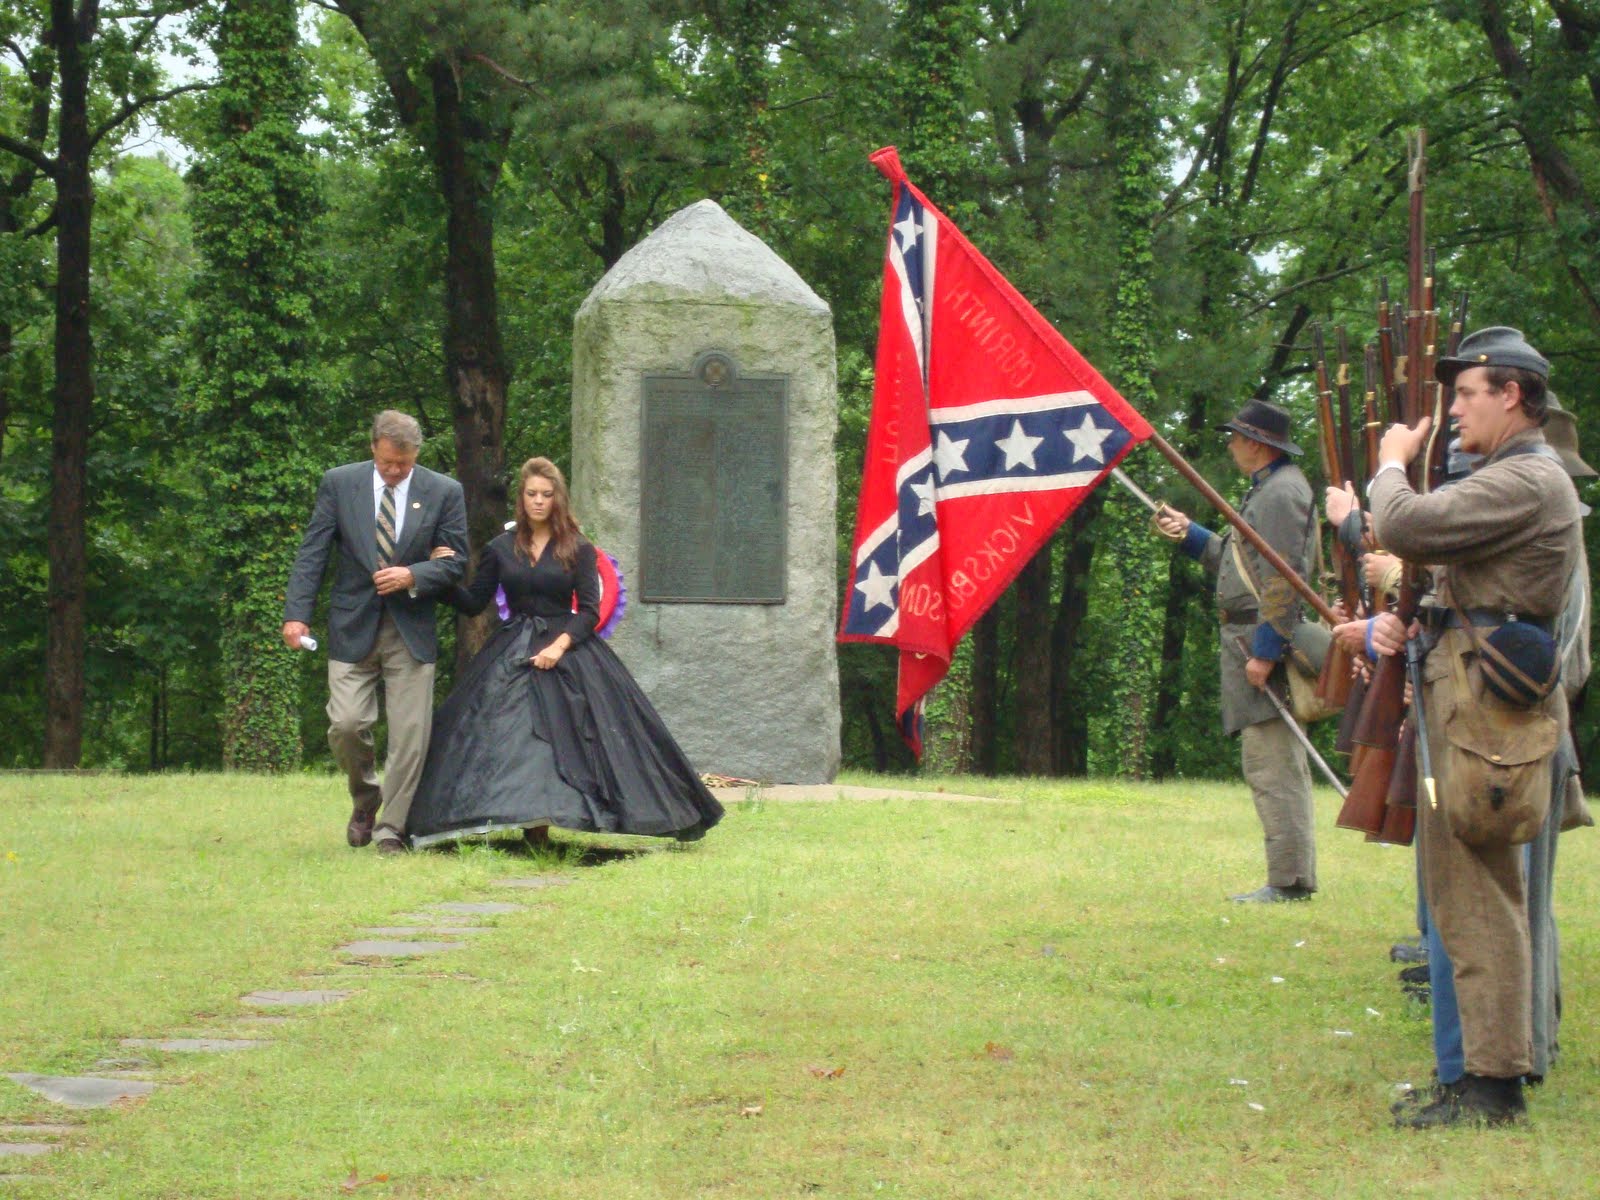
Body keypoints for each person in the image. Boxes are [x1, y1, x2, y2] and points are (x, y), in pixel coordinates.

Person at [1344, 326, 1582, 1127]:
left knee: (1482, 893)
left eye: (1468, 393)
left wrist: (1387, 462)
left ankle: (1491, 1084)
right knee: (1470, 892)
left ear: (1513, 395)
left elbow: (1404, 524)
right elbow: (1449, 573)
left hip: (1485, 717)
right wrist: (1404, 625)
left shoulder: (1529, 478)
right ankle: (1482, 1076)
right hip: (1470, 704)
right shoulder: (1515, 476)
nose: (1453, 412)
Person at [405, 457, 723, 847]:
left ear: (558, 499)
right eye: (531, 494)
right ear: (521, 499)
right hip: (512, 647)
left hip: (569, 646)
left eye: (546, 495)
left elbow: (589, 611)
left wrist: (559, 646)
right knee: (509, 733)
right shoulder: (499, 549)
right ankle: (525, 822)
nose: (538, 501)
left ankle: (571, 815)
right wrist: (442, 574)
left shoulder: (578, 547)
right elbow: (473, 603)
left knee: (584, 732)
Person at [282, 411, 468, 854]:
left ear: (416, 455)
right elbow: (313, 552)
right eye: (388, 463)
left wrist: (414, 574)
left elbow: (457, 562)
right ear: (373, 449)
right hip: (352, 623)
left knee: (409, 735)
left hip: (411, 628)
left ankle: (391, 829)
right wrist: (296, 614)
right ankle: (366, 799)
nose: (395, 471)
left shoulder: (444, 491)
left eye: (403, 464)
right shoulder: (339, 484)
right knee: (346, 724)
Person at [1154, 399, 1318, 902]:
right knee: (1270, 762)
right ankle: (1289, 877)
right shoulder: (1269, 491)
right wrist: (1189, 535)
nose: (1229, 445)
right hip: (1248, 637)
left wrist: (1266, 651)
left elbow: (1285, 579)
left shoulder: (1280, 494)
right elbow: (1238, 560)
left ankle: (1289, 882)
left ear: (1256, 443)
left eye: (1236, 437)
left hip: (1259, 639)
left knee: (1273, 765)